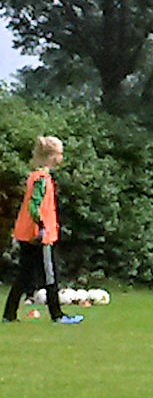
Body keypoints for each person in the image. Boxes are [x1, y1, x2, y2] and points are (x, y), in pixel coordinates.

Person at [3, 136, 84, 324]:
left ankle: (9, 314)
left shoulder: (34, 177)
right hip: (40, 236)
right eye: (60, 154)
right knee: (50, 275)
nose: (61, 157)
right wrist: (40, 226)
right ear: (51, 157)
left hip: (27, 234)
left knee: (25, 275)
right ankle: (57, 315)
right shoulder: (42, 179)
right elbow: (34, 206)